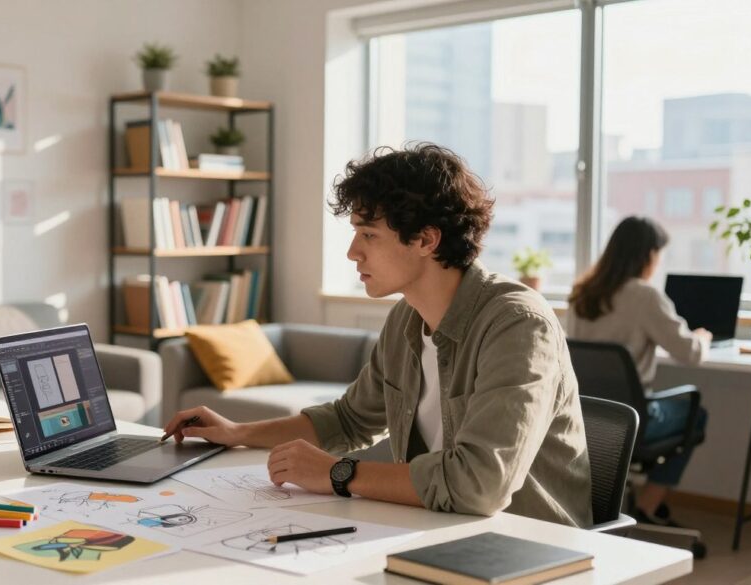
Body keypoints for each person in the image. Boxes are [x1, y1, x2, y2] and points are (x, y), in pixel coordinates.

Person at [162, 143, 593, 528]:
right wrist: (237, 432)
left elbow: (480, 485)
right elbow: (348, 420)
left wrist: (338, 474)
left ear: (426, 240)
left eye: (368, 234)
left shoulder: (517, 325)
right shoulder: (407, 319)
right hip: (431, 532)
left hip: (526, 549)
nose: (353, 251)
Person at [567, 216, 711, 535]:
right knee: (696, 414)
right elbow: (690, 354)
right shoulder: (644, 296)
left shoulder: (582, 293)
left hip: (589, 417)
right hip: (635, 419)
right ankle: (648, 506)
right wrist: (703, 338)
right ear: (648, 255)